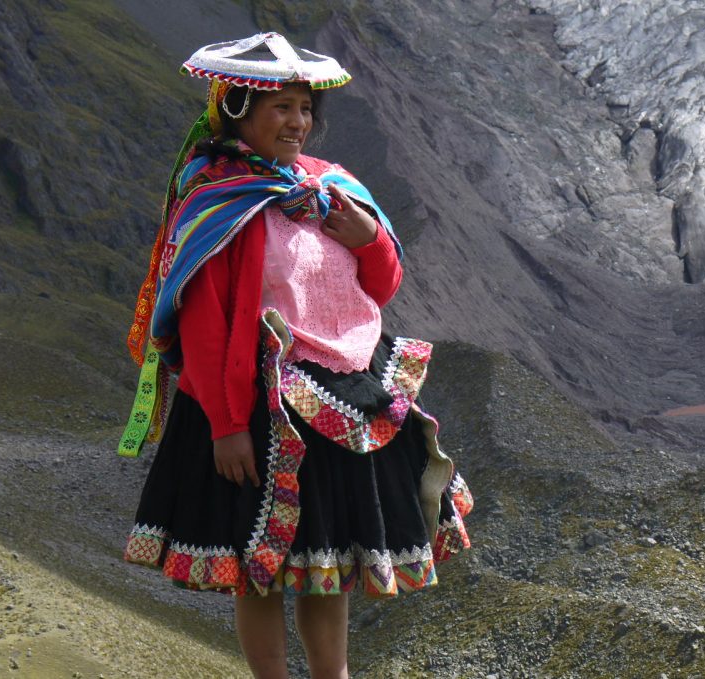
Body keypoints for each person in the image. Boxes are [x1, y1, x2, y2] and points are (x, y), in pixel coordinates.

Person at [117, 33, 472, 679]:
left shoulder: (331, 187)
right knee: (262, 570)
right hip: (256, 404)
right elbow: (203, 322)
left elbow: (381, 286)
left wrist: (369, 240)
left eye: (304, 108)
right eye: (280, 107)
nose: (297, 121)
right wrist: (226, 426)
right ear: (238, 109)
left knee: (325, 564)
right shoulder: (218, 197)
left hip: (343, 394)